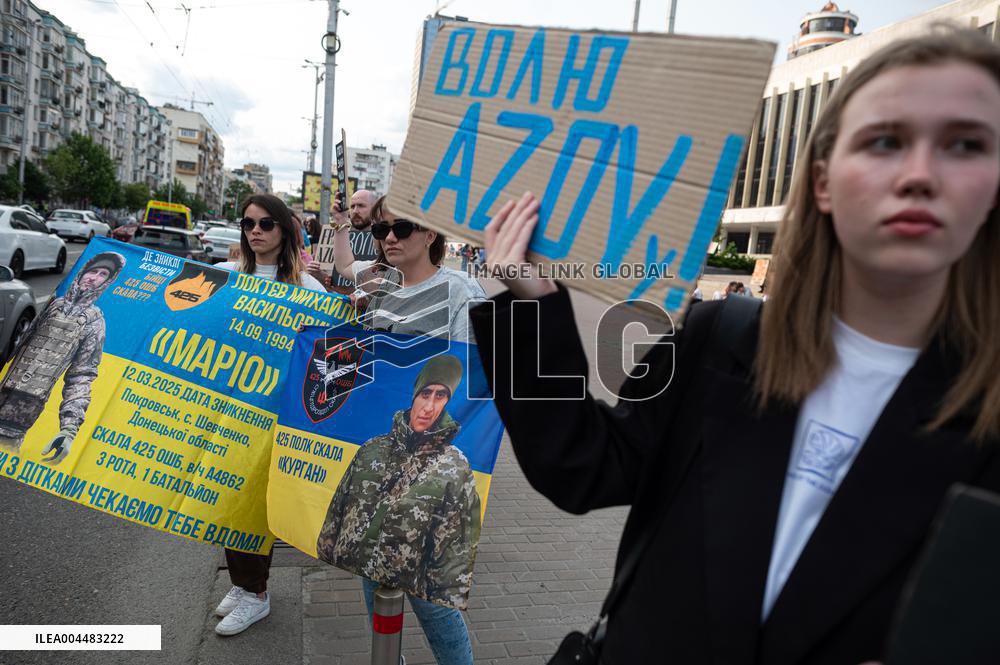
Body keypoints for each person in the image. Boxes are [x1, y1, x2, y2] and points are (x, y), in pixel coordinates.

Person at [471, 29, 1000, 665]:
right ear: (825, 182)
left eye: (965, 145)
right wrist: (533, 305)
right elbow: (582, 468)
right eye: (885, 141)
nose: (919, 175)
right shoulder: (717, 339)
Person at [330, 195, 485, 665]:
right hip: (384, 459)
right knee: (372, 572)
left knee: (429, 596)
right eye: (380, 232)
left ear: (430, 234)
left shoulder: (461, 291)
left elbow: (475, 378)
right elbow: (368, 375)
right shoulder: (378, 293)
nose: (389, 239)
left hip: (434, 468)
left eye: (400, 229)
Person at [211, 193, 324, 637]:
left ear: (284, 231)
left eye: (265, 224)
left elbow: (322, 348)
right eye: (247, 224)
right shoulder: (224, 276)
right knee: (224, 495)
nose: (254, 231)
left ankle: (255, 594)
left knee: (252, 501)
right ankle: (243, 585)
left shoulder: (306, 288)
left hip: (274, 414)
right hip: (226, 407)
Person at [316, 354, 481, 609]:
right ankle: (387, 652)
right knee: (379, 623)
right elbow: (337, 512)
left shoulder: (454, 467)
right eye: (426, 394)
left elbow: (455, 554)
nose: (429, 407)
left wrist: (443, 595)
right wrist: (327, 552)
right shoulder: (372, 449)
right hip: (365, 568)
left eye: (440, 396)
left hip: (418, 584)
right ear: (414, 395)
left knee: (437, 617)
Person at [0, 251, 124, 463]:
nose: (95, 277)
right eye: (92, 271)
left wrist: (69, 428)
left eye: (103, 274)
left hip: (17, 420)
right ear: (82, 273)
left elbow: (81, 377)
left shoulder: (94, 323)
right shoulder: (54, 305)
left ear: (108, 282)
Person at [307, 189, 380, 296]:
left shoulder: (386, 241)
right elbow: (339, 273)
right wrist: (321, 276)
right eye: (352, 206)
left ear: (374, 208)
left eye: (361, 205)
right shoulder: (338, 239)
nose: (355, 211)